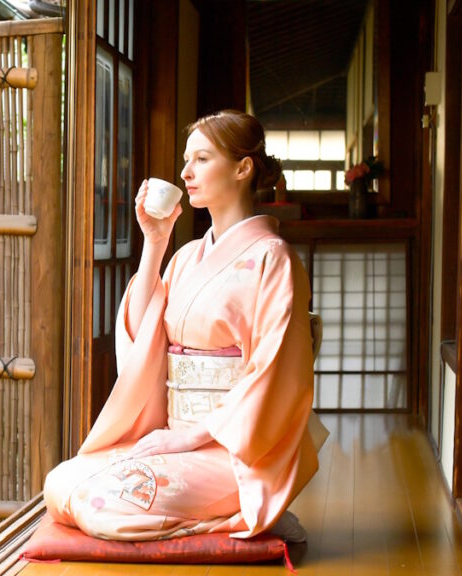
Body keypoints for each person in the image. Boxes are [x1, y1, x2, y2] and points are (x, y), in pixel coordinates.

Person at [43, 110, 326, 544]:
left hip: (232, 449)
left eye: (201, 159)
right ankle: (212, 510)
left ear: (243, 168)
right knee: (61, 484)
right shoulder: (187, 256)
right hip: (173, 436)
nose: (185, 172)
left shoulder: (274, 259)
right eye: (185, 159)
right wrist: (155, 243)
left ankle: (245, 506)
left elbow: (273, 373)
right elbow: (144, 339)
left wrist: (193, 438)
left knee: (103, 501)